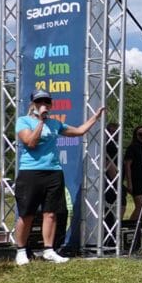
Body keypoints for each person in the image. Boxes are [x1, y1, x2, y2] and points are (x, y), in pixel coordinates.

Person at [14, 88, 105, 266]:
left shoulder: (55, 124)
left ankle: (49, 250)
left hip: (54, 172)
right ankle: (21, 251)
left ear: (50, 104)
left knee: (51, 213)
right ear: (33, 104)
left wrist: (96, 117)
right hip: (30, 172)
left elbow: (79, 131)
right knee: (27, 214)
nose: (43, 105)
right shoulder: (23, 121)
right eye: (39, 102)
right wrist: (41, 121)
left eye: (47, 102)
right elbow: (30, 143)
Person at [123, 126, 142, 222]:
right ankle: (129, 230)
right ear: (136, 135)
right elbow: (127, 166)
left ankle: (138, 232)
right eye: (140, 134)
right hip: (136, 181)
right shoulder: (132, 148)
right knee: (140, 206)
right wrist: (129, 183)